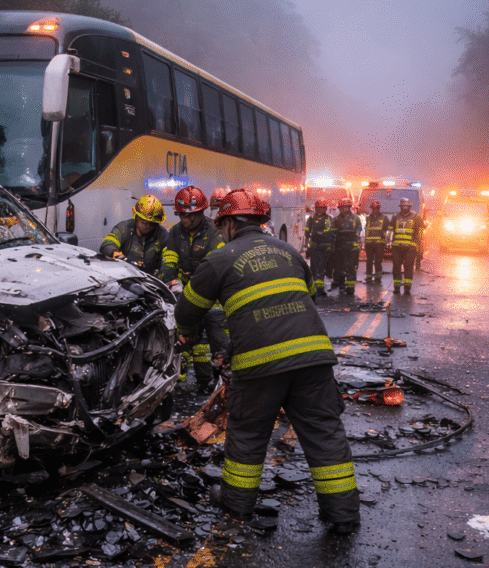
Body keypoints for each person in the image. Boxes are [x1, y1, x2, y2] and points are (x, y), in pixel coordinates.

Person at [175, 188, 360, 534]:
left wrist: (185, 332)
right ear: (260, 221)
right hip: (313, 359)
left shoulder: (220, 258)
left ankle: (236, 507)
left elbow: (188, 307)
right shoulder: (289, 251)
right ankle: (344, 514)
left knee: (248, 433)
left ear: (229, 224)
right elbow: (306, 295)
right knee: (325, 433)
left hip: (261, 366)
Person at [160, 185, 228, 391]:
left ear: (202, 212)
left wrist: (201, 286)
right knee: (188, 340)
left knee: (220, 343)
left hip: (213, 298)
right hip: (186, 296)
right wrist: (170, 280)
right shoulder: (175, 233)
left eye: (193, 215)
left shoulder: (214, 232)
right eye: (184, 216)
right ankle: (193, 382)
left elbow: (217, 263)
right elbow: (169, 257)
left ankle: (225, 386)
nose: (189, 220)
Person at [100, 194, 169, 276]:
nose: (147, 227)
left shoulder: (162, 234)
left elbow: (169, 256)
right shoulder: (124, 228)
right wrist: (117, 255)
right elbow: (107, 244)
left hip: (151, 279)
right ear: (136, 217)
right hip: (126, 276)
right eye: (144, 222)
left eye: (152, 224)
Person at [390, 197, 424, 294]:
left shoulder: (416, 217)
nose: (405, 208)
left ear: (409, 206)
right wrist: (388, 242)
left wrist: (418, 245)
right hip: (397, 247)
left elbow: (420, 232)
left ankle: (407, 287)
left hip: (410, 247)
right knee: (396, 267)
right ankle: (396, 287)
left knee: (408, 267)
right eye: (403, 206)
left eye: (406, 206)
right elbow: (390, 230)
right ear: (400, 207)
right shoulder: (395, 216)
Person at [331, 198, 363, 295]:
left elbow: (359, 231)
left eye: (346, 207)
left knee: (351, 267)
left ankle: (350, 288)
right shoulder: (336, 219)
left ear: (349, 207)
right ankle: (341, 286)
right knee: (339, 267)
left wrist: (357, 246)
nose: (344, 209)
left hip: (351, 248)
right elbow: (332, 233)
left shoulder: (356, 218)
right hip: (339, 247)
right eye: (342, 207)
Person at [305, 199, 335, 296]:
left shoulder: (329, 219)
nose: (320, 210)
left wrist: (331, 246)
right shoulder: (311, 218)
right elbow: (307, 232)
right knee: (313, 268)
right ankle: (312, 288)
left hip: (324, 248)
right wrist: (307, 246)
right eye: (318, 208)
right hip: (314, 248)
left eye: (322, 208)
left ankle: (320, 289)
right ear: (316, 208)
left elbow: (332, 233)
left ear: (325, 209)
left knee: (321, 269)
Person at [364, 201, 390, 283]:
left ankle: (378, 277)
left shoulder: (384, 218)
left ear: (378, 209)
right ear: (371, 209)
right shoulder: (368, 218)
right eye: (373, 208)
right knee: (369, 260)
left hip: (379, 243)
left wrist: (387, 241)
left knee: (378, 260)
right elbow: (365, 230)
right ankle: (369, 276)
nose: (374, 210)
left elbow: (387, 231)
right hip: (369, 243)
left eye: (376, 208)